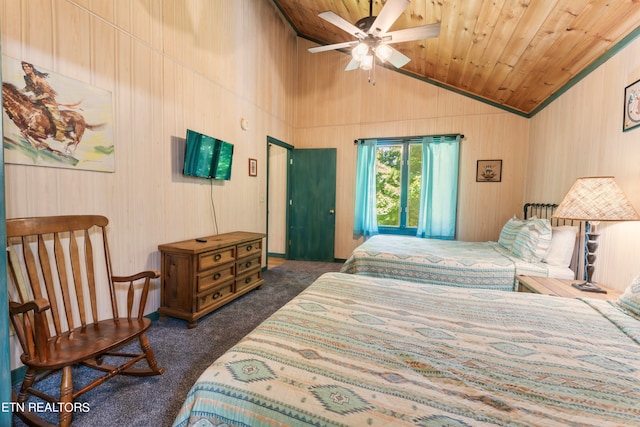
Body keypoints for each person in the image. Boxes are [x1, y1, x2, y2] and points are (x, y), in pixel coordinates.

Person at [21, 61, 66, 140]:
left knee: (55, 116)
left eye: (27, 66)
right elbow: (28, 88)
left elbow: (48, 94)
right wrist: (19, 90)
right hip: (38, 100)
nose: (26, 68)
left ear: (32, 68)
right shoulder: (27, 78)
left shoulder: (40, 80)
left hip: (48, 100)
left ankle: (60, 134)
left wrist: (35, 98)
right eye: (24, 67)